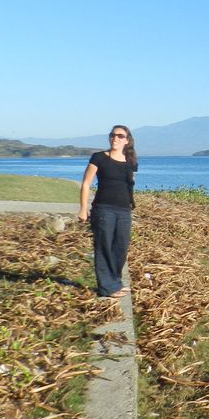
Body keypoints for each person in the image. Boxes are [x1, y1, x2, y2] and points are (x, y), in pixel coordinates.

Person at [78, 125, 139, 298]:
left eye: (120, 136)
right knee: (104, 247)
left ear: (127, 140)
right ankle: (106, 288)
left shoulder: (131, 162)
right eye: (113, 135)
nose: (116, 138)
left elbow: (130, 186)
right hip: (104, 209)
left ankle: (116, 283)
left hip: (124, 210)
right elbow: (85, 184)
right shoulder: (99, 158)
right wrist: (83, 209)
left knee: (120, 247)